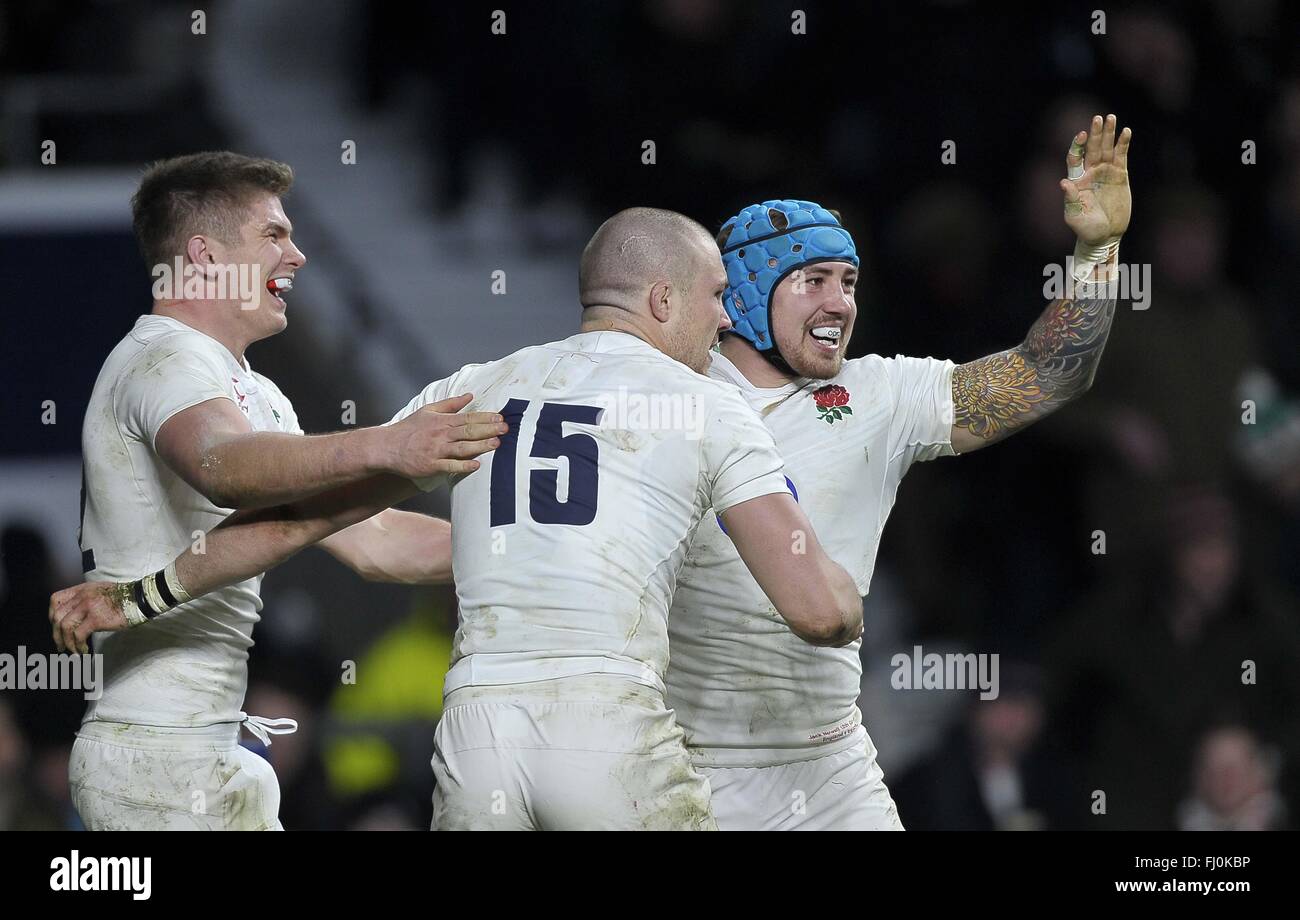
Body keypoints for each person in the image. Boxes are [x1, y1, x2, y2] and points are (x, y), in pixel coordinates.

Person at [54, 206, 865, 830]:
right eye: (717, 296)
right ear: (662, 299)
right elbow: (818, 613)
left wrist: (143, 595)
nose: (725, 319)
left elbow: (310, 525)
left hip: (478, 732)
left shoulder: (475, 387)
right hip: (607, 718)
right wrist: (847, 591)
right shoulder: (705, 404)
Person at [663, 114, 1133, 829]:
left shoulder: (878, 394)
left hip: (831, 765)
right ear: (750, 288)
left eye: (848, 281)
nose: (840, 303)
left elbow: (1046, 376)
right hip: (690, 762)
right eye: (814, 279)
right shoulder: (660, 403)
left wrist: (1098, 249)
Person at [60, 151, 505, 830]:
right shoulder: (162, 359)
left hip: (207, 752)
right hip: (154, 758)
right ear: (204, 255)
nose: (296, 256)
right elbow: (222, 464)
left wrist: (533, 548)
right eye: (273, 235)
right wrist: (391, 443)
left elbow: (376, 541)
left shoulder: (256, 393)